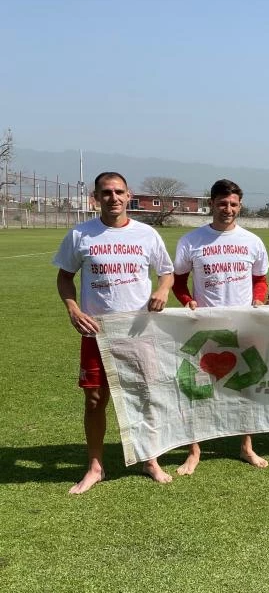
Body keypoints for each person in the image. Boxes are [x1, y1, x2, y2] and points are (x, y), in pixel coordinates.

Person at [53, 171, 175, 494]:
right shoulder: (81, 234)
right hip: (97, 332)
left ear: (128, 195)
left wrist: (163, 290)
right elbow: (64, 278)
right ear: (96, 197)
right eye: (106, 193)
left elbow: (167, 273)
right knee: (95, 400)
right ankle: (96, 466)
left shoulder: (147, 235)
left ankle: (150, 459)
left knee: (145, 396)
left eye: (119, 192)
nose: (113, 198)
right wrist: (73, 309)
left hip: (138, 331)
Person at [172, 179, 269, 473]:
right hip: (204, 326)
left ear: (240, 206)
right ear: (211, 203)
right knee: (198, 389)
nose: (228, 209)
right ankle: (194, 450)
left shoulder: (252, 241)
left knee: (246, 386)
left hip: (243, 324)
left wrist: (258, 300)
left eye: (234, 204)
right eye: (222, 203)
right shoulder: (191, 240)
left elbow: (260, 280)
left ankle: (246, 448)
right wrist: (188, 300)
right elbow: (178, 282)